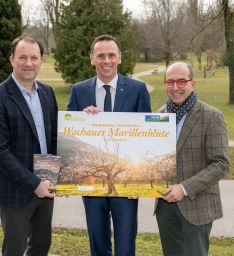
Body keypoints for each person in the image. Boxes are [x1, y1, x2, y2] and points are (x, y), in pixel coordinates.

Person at [67, 34, 151, 256]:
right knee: (98, 243)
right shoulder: (78, 90)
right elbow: (69, 136)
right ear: (92, 59)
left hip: (127, 182)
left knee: (125, 245)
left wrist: (140, 181)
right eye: (101, 55)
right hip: (92, 181)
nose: (107, 60)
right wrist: (81, 119)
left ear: (119, 58)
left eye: (111, 55)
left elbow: (147, 139)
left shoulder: (137, 89)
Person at [0, 33, 58, 256]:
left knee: (41, 246)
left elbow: (54, 137)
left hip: (47, 185)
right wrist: (34, 184)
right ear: (11, 59)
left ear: (42, 61)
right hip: (15, 191)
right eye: (22, 57)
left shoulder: (47, 93)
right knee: (15, 249)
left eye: (34, 58)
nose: (28, 63)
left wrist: (61, 177)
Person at [155, 62, 230, 256]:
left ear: (192, 83)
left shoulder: (212, 116)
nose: (175, 87)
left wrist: (185, 188)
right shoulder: (158, 117)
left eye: (182, 81)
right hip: (165, 208)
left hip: (198, 206)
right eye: (170, 82)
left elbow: (221, 164)